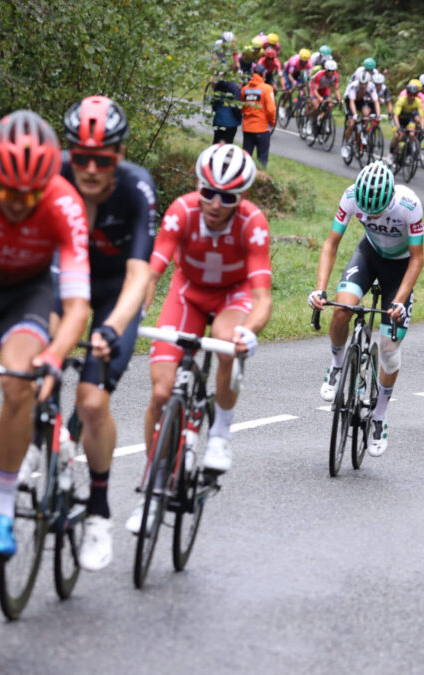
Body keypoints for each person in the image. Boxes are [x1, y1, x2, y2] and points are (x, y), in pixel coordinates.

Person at [0, 111, 91, 558]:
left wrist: (53, 356)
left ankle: (4, 512)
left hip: (25, 297)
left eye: (29, 195)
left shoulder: (64, 204)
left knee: (19, 384)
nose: (16, 203)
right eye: (8, 191)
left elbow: (75, 308)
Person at [127, 144, 271, 533]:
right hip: (187, 293)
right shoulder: (182, 210)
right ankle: (153, 485)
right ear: (198, 186)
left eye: (228, 197)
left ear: (241, 198)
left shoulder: (252, 222)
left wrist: (249, 331)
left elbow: (261, 297)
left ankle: (221, 431)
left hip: (232, 295)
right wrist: (135, 313)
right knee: (160, 394)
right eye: (208, 191)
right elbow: (152, 272)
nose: (215, 202)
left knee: (227, 341)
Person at [57, 96, 157, 570]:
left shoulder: (137, 187)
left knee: (92, 402)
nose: (91, 170)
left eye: (104, 159)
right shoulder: (52, 176)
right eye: (81, 158)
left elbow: (140, 276)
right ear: (68, 151)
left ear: (119, 155)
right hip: (61, 283)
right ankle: (46, 439)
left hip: (115, 291)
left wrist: (113, 328)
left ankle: (98, 509)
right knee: (30, 368)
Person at [309, 162, 424, 457]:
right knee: (341, 310)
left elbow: (416, 258)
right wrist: (320, 289)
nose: (370, 216)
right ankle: (336, 367)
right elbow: (331, 243)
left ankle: (380, 416)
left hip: (399, 268)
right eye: (366, 212)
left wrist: (400, 300)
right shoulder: (350, 196)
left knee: (388, 350)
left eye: (377, 212)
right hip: (369, 255)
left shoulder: (409, 206)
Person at [241, 63, 276, 168]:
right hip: (262, 128)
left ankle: (242, 178)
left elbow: (242, 107)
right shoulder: (267, 89)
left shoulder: (244, 89)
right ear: (263, 75)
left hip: (247, 128)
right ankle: (259, 179)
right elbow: (271, 110)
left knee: (246, 158)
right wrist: (272, 122)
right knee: (262, 159)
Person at [342, 70, 381, 161]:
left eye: (365, 84)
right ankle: (345, 144)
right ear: (359, 81)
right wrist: (355, 115)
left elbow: (376, 102)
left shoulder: (371, 86)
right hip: (350, 101)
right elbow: (351, 102)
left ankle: (363, 132)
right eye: (361, 83)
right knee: (351, 124)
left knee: (366, 114)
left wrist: (378, 115)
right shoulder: (353, 86)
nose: (363, 85)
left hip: (361, 100)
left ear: (368, 82)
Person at [391, 79, 424, 165]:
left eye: (414, 95)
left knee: (412, 133)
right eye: (410, 94)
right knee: (399, 136)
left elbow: (422, 117)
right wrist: (399, 127)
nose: (412, 97)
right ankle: (392, 153)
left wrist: (422, 128)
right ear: (407, 93)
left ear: (416, 95)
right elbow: (395, 116)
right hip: (399, 119)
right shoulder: (402, 100)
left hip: (408, 119)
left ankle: (413, 150)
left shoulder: (418, 101)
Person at [211, 69, 242, 144]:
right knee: (227, 145)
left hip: (218, 121)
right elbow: (236, 106)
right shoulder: (235, 87)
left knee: (216, 143)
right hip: (230, 123)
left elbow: (213, 103)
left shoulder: (218, 86)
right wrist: (239, 117)